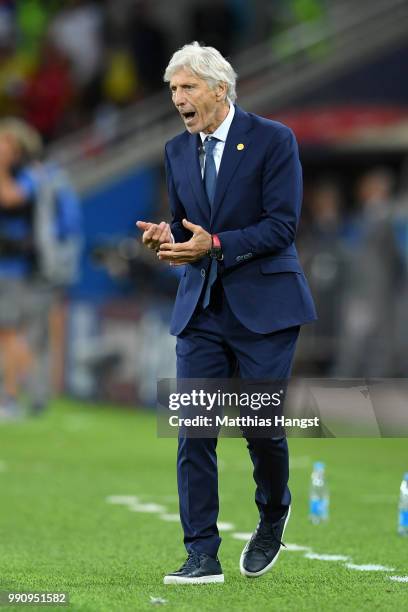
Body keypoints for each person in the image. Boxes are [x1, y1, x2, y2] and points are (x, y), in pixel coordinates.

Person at [137, 42, 316, 584]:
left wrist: (213, 244)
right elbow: (189, 223)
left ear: (220, 88)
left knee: (260, 428)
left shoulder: (273, 139)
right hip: (201, 308)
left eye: (188, 87)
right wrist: (170, 237)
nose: (178, 99)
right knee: (194, 429)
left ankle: (272, 514)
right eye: (173, 90)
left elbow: (281, 227)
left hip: (265, 307)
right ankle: (201, 554)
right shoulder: (175, 150)